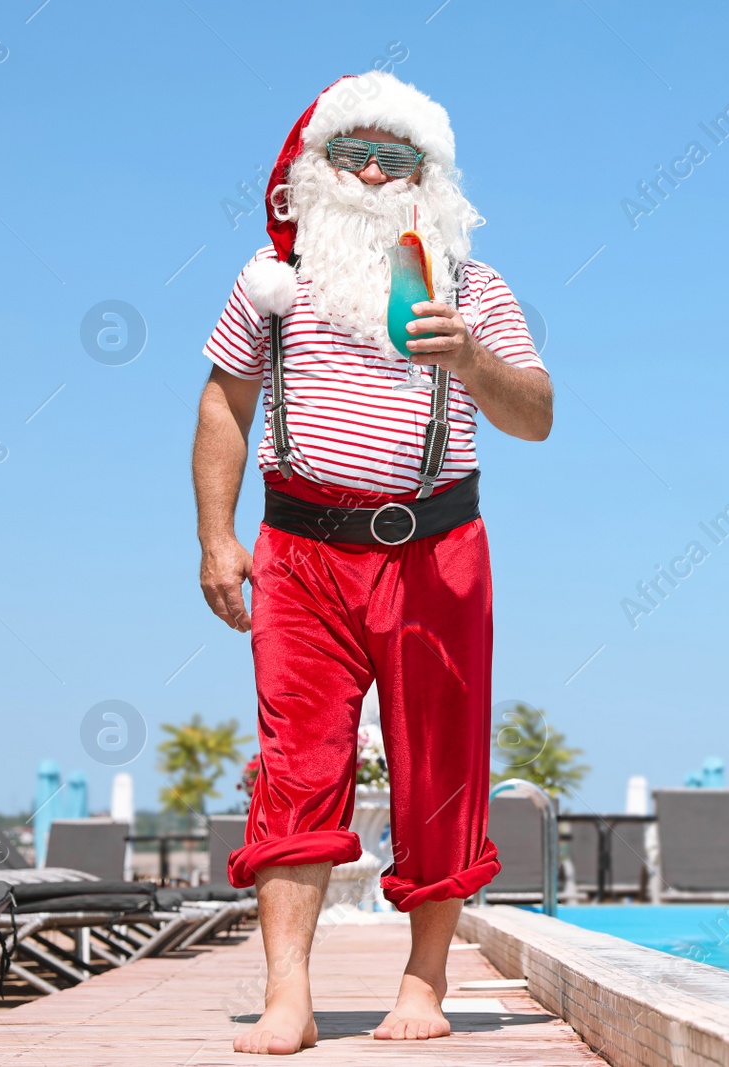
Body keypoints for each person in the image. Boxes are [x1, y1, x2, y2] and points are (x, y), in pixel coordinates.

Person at [190, 72, 552, 1054]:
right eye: (352, 153)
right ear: (314, 168)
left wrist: (471, 362)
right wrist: (216, 537)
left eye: (395, 159)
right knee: (294, 765)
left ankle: (423, 978)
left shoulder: (474, 288)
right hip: (300, 550)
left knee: (440, 768)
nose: (370, 171)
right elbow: (225, 406)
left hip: (437, 551)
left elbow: (537, 417)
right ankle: (286, 994)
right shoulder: (268, 286)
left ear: (426, 178)